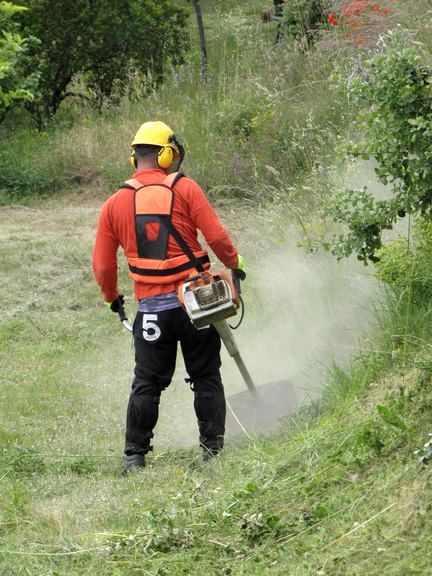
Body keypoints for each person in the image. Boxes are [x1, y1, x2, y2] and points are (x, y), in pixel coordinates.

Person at [92, 121, 245, 471]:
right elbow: (217, 237)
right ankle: (212, 452)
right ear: (165, 154)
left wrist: (111, 298)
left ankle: (135, 457)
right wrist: (236, 264)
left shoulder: (114, 204)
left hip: (151, 311)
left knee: (146, 383)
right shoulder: (186, 188)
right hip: (199, 306)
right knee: (206, 376)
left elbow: (102, 266)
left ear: (135, 158)